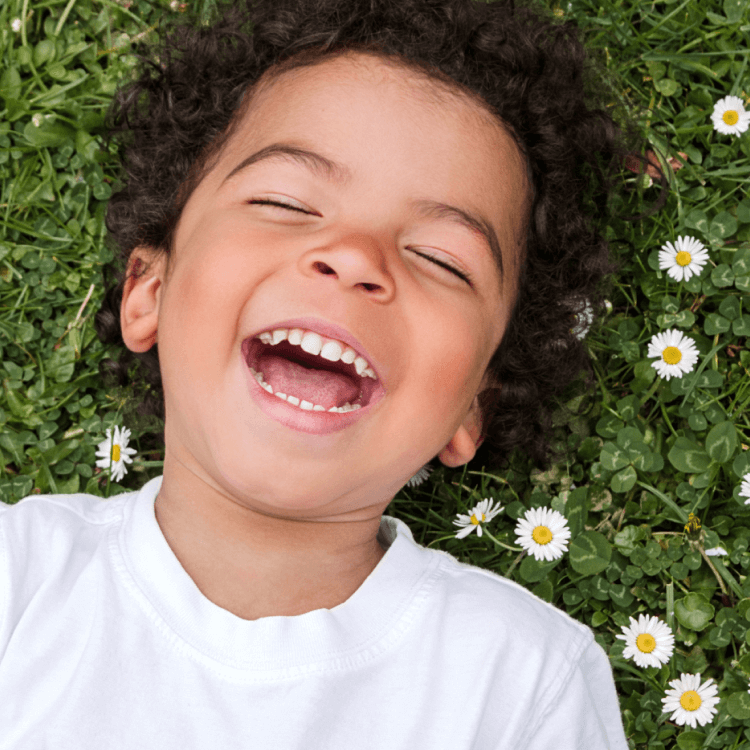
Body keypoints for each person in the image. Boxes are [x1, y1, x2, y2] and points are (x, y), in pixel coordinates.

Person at [0, 0, 629, 746]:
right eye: (285, 201)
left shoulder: (523, 682)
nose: (357, 256)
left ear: (474, 406)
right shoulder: (18, 581)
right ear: (150, 293)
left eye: (439, 258)